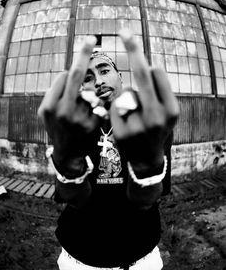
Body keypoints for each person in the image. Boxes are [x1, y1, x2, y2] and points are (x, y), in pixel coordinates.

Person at [38, 28, 179, 270]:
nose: (99, 81)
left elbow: (147, 201)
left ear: (120, 76)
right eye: (88, 78)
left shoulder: (146, 126)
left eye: (104, 71)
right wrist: (69, 166)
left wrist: (146, 170)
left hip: (140, 258)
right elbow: (75, 200)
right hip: (80, 259)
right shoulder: (76, 128)